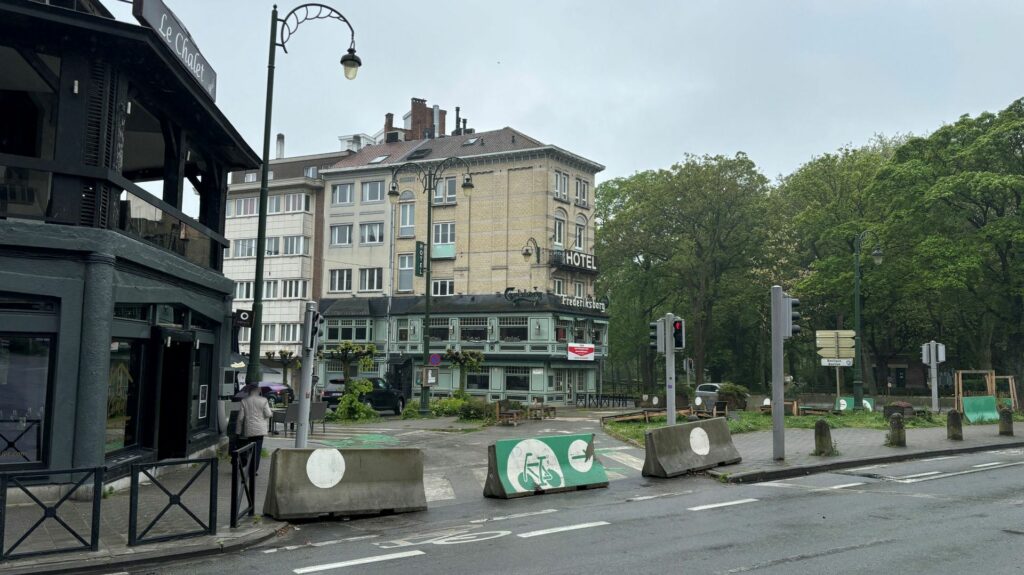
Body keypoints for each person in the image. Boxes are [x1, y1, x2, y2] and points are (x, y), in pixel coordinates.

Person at [236, 383, 273, 474]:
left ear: (249, 391)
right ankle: (253, 470)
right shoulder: (264, 400)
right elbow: (268, 414)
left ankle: (248, 467)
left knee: (250, 449)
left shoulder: (244, 401)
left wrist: (238, 431)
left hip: (249, 429)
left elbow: (240, 418)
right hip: (260, 430)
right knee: (257, 450)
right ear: (258, 390)